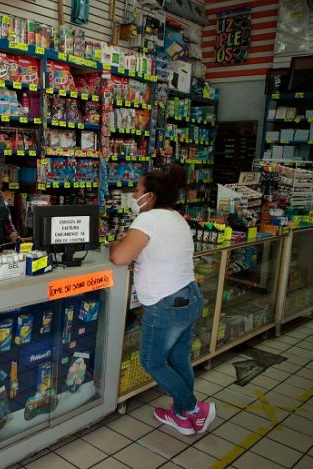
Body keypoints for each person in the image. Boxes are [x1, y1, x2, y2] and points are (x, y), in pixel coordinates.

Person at [108, 165, 216, 435]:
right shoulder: (176, 218)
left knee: (152, 362)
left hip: (166, 303)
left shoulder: (148, 220)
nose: (134, 195)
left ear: (151, 196)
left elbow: (119, 257)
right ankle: (181, 415)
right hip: (189, 297)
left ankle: (193, 409)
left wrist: (114, 245)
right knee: (178, 358)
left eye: (138, 190)